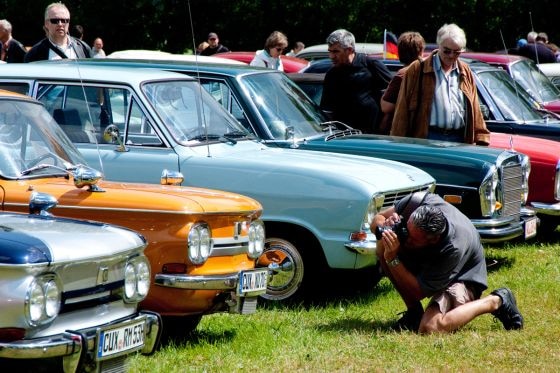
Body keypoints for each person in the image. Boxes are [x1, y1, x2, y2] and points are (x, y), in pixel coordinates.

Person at [373, 191, 524, 334]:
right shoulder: (417, 203)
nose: (406, 240)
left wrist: (393, 258)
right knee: (383, 244)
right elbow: (377, 218)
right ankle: (414, 313)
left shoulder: (453, 247)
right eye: (406, 231)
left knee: (430, 328)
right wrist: (385, 226)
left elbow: (417, 292)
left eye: (412, 240)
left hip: (462, 277)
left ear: (433, 240)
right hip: (433, 264)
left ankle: (496, 301)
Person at [390, 24, 490, 145]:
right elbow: (402, 109)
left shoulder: (465, 70)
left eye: (457, 52)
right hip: (428, 138)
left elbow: (475, 107)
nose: (451, 56)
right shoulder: (417, 69)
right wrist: (398, 142)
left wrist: (481, 138)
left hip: (460, 138)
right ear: (439, 45)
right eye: (447, 51)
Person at [320, 29, 393, 134]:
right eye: (330, 51)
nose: (331, 56)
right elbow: (327, 109)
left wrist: (385, 122)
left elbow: (393, 94)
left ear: (349, 50)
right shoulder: (332, 74)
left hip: (372, 134)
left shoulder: (371, 65)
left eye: (336, 51)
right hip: (342, 136)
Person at [379, 31, 425, 134]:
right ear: (421, 51)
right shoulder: (429, 71)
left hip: (403, 130)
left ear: (400, 52)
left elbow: (386, 106)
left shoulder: (403, 74)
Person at [24, 3, 92, 62]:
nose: (60, 24)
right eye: (55, 20)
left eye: (64, 20)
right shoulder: (34, 54)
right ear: (46, 24)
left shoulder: (83, 48)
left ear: (68, 23)